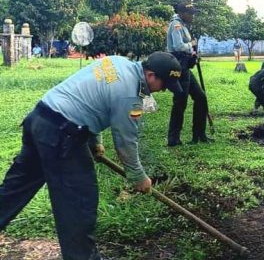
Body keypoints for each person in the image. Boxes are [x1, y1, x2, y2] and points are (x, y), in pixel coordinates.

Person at [0, 52, 183, 260]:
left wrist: (95, 141)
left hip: (40, 119)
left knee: (14, 189)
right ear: (151, 75)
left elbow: (91, 97)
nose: (163, 90)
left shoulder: (116, 62)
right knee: (79, 201)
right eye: (164, 84)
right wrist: (138, 177)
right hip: (62, 135)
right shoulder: (131, 96)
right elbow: (126, 140)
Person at [166, 0, 211, 146]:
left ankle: (199, 134)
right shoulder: (176, 24)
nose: (193, 16)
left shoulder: (183, 25)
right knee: (180, 101)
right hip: (178, 65)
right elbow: (178, 46)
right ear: (182, 13)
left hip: (185, 64)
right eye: (191, 14)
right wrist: (191, 45)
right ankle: (173, 138)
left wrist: (193, 53)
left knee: (200, 97)